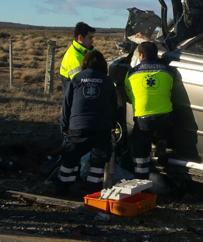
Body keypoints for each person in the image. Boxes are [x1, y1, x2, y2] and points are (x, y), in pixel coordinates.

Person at [57, 50, 117, 195]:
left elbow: (67, 105)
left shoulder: (77, 78)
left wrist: (64, 126)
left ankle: (63, 189)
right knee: (98, 162)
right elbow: (114, 106)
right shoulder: (108, 81)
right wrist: (112, 126)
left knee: (69, 159)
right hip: (101, 128)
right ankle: (92, 191)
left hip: (77, 127)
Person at [124, 42, 173, 179]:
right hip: (165, 117)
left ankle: (141, 176)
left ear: (141, 55)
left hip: (143, 119)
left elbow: (129, 94)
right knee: (164, 124)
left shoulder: (132, 73)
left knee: (140, 146)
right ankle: (161, 141)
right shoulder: (167, 70)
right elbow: (170, 89)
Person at [60, 22, 96, 92]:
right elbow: (80, 84)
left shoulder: (88, 51)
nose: (92, 41)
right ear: (80, 38)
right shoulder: (73, 58)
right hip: (76, 98)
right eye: (90, 38)